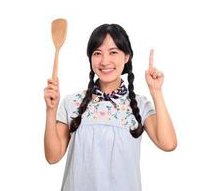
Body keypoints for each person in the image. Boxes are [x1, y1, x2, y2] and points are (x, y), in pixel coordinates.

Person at [44, 23, 177, 191]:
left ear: (126, 56)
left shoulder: (139, 104)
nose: (105, 61)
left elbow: (169, 144)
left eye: (113, 52)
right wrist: (51, 110)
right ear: (90, 58)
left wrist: (156, 91)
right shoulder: (72, 102)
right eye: (97, 53)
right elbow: (52, 156)